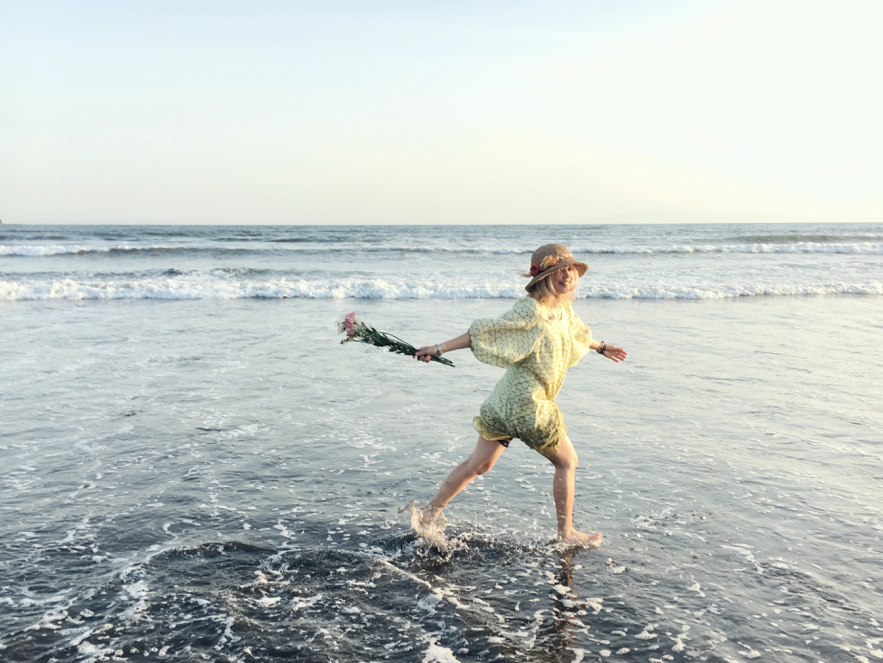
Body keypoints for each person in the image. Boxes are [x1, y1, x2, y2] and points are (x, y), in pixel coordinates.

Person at [414, 244, 627, 547]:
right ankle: (565, 534)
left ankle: (428, 513)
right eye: (558, 271)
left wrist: (602, 347)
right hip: (529, 403)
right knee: (568, 462)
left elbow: (578, 333)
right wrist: (439, 348)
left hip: (503, 401)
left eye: (569, 269)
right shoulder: (531, 309)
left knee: (479, 465)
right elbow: (488, 331)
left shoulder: (562, 310)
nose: (566, 275)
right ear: (543, 277)